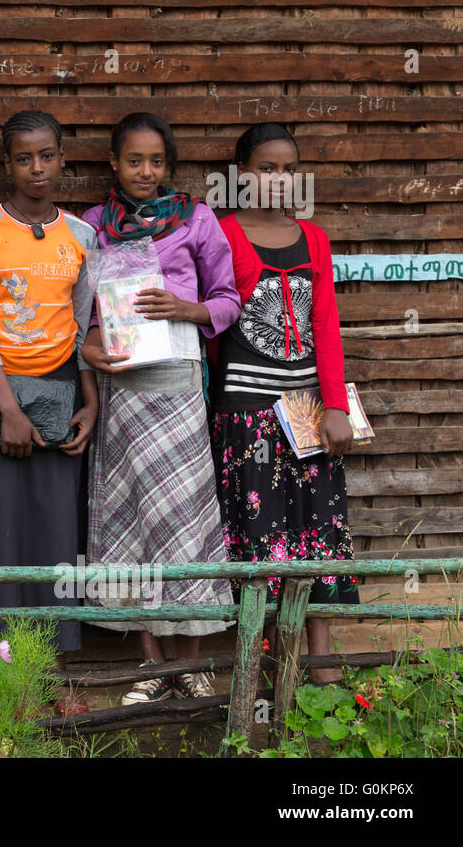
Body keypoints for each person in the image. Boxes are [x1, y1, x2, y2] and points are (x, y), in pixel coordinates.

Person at [80, 112, 242, 704]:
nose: (145, 171)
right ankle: (152, 667)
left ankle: (191, 664)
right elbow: (83, 313)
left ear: (168, 167)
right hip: (123, 389)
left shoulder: (198, 221)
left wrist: (185, 308)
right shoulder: (94, 225)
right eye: (133, 160)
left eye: (156, 161)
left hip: (177, 383)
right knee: (136, 525)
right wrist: (89, 350)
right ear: (114, 164)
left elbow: (228, 300)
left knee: (185, 523)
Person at [0, 110, 99, 716]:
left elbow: (85, 323)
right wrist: (8, 408)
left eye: (47, 155)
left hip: (63, 392)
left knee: (56, 535)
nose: (37, 168)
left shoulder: (82, 236)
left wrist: (90, 402)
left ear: (62, 158)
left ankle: (53, 674)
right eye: (23, 158)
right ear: (7, 165)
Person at [210, 123, 358, 685]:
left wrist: (335, 405)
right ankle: (265, 668)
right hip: (247, 413)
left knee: (322, 527)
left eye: (288, 169)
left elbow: (327, 326)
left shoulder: (313, 238)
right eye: (266, 168)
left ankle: (318, 670)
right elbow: (215, 328)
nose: (278, 179)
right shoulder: (222, 234)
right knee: (260, 535)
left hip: (307, 411)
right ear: (242, 175)